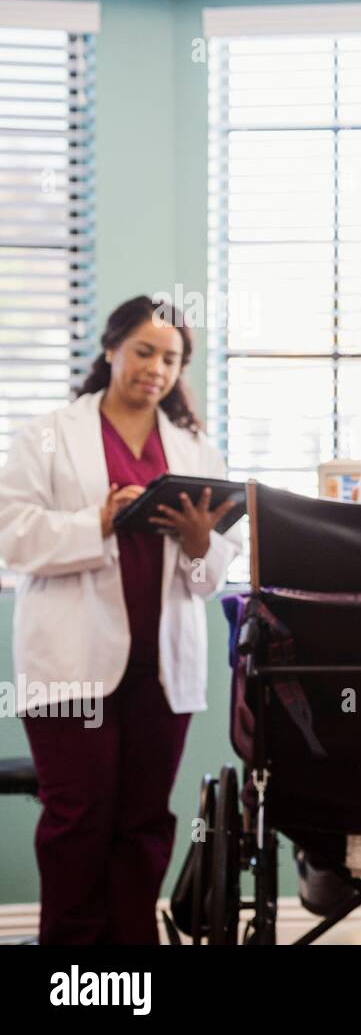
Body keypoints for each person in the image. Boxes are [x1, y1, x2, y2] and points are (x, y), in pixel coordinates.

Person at [0, 296, 242, 944]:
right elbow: (12, 535)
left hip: (162, 670)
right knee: (77, 820)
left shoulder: (194, 449)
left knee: (144, 821)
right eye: (144, 351)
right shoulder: (49, 435)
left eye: (171, 358)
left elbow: (211, 576)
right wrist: (99, 521)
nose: (156, 368)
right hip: (68, 665)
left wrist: (199, 542)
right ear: (110, 349)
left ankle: (133, 955)